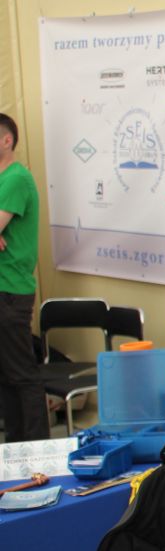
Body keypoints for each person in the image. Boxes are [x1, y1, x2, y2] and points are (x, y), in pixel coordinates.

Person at [0, 113, 47, 442]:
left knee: (21, 374)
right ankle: (14, 451)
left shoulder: (16, 179)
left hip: (11, 291)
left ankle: (38, 449)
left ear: (7, 141)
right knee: (4, 377)